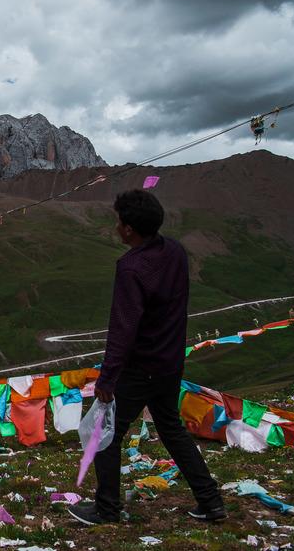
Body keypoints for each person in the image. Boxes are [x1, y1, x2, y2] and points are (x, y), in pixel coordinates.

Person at [69, 190, 225, 526]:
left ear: (128, 229)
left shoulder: (130, 268)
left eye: (118, 222)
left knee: (105, 434)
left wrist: (108, 379)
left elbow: (124, 328)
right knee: (171, 429)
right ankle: (211, 502)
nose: (116, 227)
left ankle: (106, 509)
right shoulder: (175, 252)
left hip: (140, 367)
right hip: (170, 363)